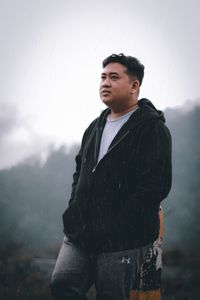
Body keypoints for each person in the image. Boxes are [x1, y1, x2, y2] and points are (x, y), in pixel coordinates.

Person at [50, 53, 172, 300]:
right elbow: (80, 170)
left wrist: (119, 224)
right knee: (62, 285)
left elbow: (155, 185)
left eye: (114, 77)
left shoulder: (152, 129)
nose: (105, 82)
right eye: (103, 77)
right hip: (81, 233)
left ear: (134, 85)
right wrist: (74, 207)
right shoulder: (95, 126)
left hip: (122, 239)